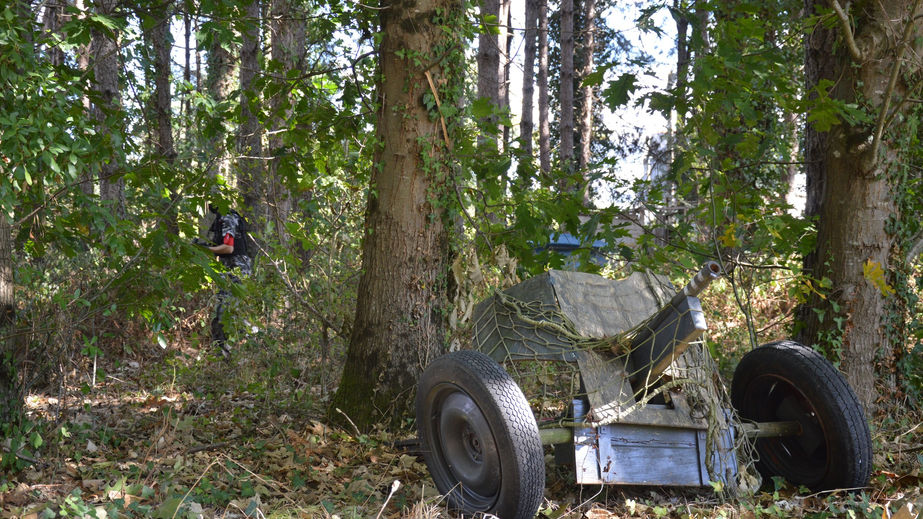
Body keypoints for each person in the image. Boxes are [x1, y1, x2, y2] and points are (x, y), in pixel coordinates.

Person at [199, 203, 253, 359]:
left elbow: (228, 248)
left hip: (237, 269)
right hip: (229, 269)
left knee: (230, 312)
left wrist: (205, 249)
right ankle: (223, 354)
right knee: (222, 312)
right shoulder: (222, 218)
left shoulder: (228, 217)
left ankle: (244, 351)